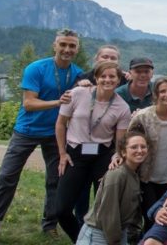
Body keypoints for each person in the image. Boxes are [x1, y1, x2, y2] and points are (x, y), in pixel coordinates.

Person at [0, 28, 82, 244]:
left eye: (72, 45)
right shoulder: (36, 68)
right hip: (26, 131)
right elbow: (29, 103)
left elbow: (103, 79)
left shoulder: (78, 74)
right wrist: (58, 102)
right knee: (6, 178)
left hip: (55, 133)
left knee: (55, 180)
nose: (67, 49)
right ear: (55, 45)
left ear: (77, 48)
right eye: (63, 44)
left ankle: (50, 225)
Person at [55, 61, 132, 242]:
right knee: (61, 209)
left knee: (105, 208)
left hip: (102, 156)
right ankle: (80, 239)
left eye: (112, 76)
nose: (107, 80)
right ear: (96, 78)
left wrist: (117, 156)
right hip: (75, 154)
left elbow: (120, 141)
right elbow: (60, 124)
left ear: (118, 79)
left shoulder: (122, 107)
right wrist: (62, 153)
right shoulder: (77, 94)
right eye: (103, 76)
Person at [128, 77, 167, 229]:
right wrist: (119, 157)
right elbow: (129, 141)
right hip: (148, 177)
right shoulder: (143, 117)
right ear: (155, 95)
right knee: (151, 218)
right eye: (162, 91)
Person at [75, 132, 148, 245]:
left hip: (119, 232)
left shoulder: (134, 172)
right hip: (99, 235)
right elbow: (109, 214)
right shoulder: (117, 175)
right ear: (123, 152)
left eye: (143, 146)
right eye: (134, 147)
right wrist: (115, 241)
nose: (140, 150)